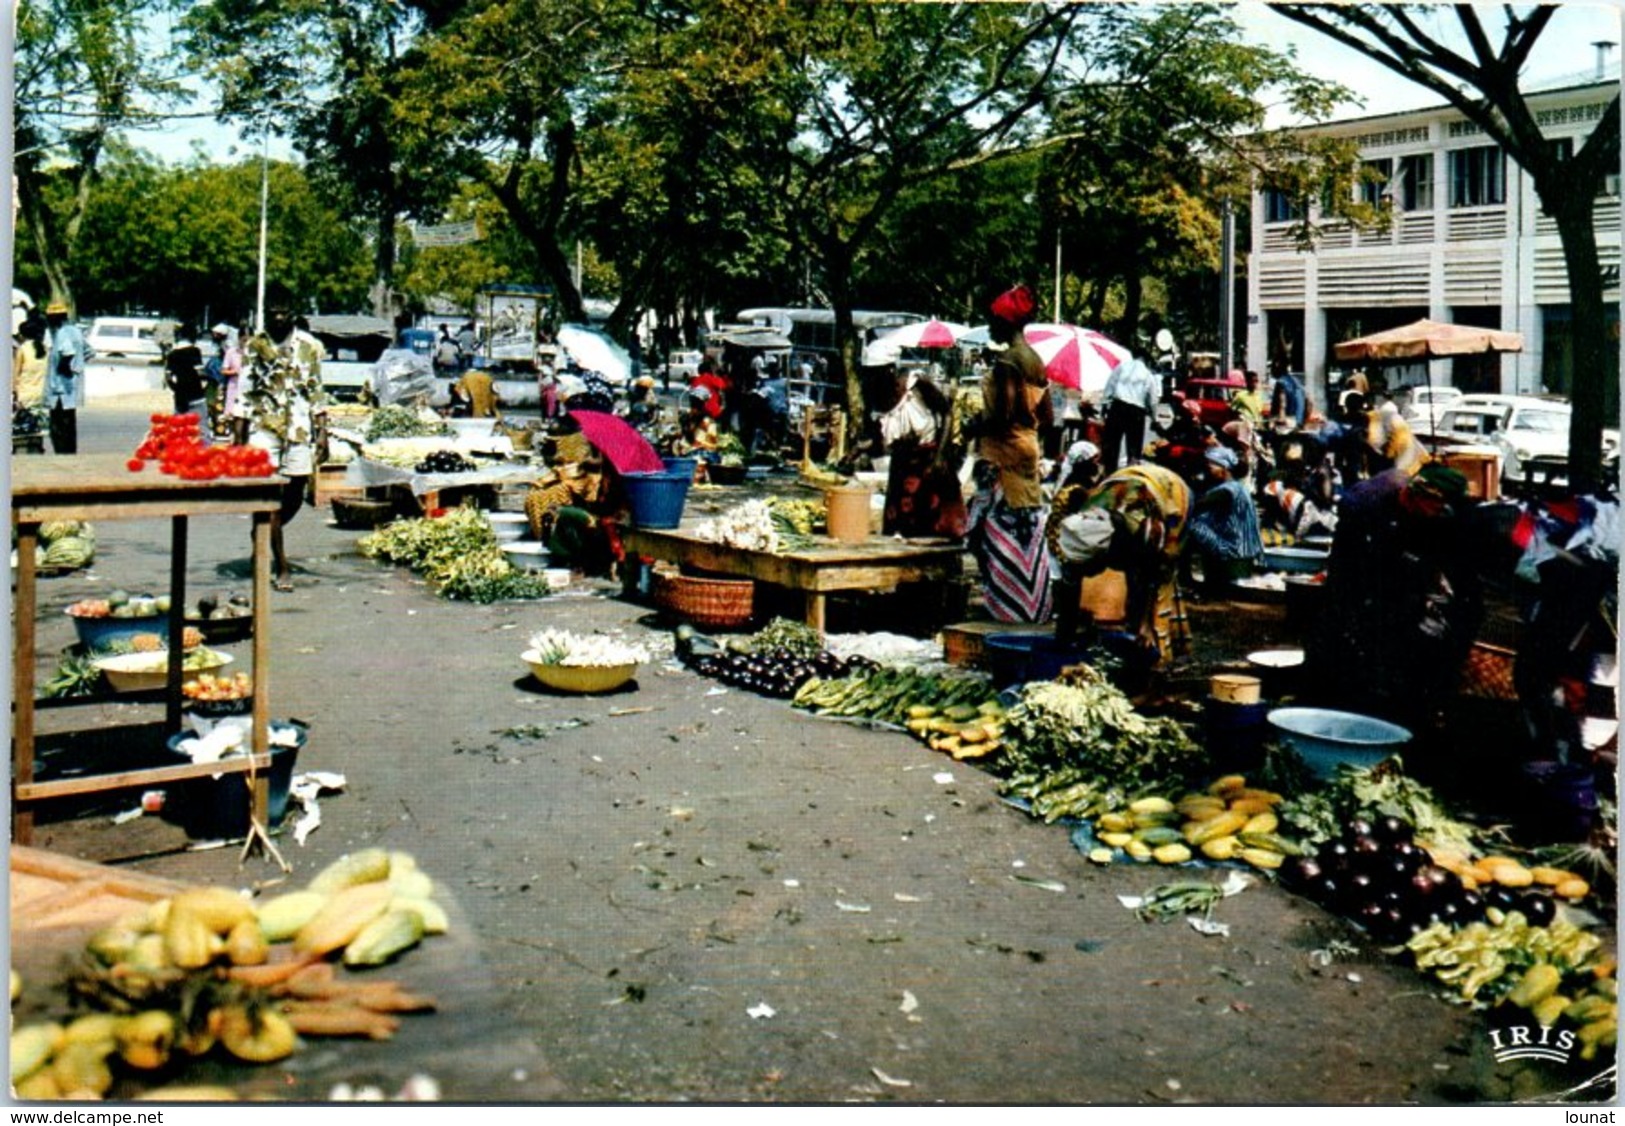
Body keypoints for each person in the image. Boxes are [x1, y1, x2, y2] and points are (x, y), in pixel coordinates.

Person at [1304, 462, 1484, 733]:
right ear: (1421, 496)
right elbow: (1346, 572)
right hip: (1362, 590)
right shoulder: (1367, 509)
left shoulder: (1439, 521)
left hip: (1404, 596)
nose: (1441, 513)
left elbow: (1460, 579)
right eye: (1438, 505)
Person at [966, 283, 1055, 623]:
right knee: (1027, 530)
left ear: (1006, 322)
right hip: (1028, 452)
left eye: (993, 321)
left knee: (990, 533)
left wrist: (975, 426)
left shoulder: (1008, 362)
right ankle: (1031, 602)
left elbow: (1002, 415)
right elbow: (1046, 416)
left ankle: (1008, 605)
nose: (990, 327)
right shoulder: (1036, 361)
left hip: (1002, 456)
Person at [1046, 461, 1191, 660]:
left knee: (1156, 578)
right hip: (1124, 486)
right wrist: (1064, 639)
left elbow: (1151, 575)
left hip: (1171, 493)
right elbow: (1070, 585)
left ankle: (1160, 645)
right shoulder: (1084, 528)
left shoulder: (1144, 533)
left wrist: (1144, 624)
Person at [243, 299, 327, 591]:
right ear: (266, 314)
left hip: (299, 428)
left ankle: (261, 536)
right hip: (263, 427)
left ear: (292, 314)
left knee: (294, 494)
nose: (278, 317)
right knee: (270, 497)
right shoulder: (254, 345)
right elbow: (244, 391)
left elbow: (316, 388)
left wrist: (323, 432)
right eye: (273, 312)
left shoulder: (309, 345)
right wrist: (238, 438)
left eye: (284, 311)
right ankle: (281, 565)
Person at [524, 423, 629, 577]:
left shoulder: (617, 480)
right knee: (556, 513)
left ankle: (586, 561)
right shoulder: (605, 473)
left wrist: (571, 511)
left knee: (560, 513)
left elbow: (611, 510)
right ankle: (576, 559)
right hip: (600, 517)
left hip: (607, 523)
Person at [879, 368, 967, 539]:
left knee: (932, 517)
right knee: (903, 520)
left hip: (929, 457)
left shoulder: (919, 385)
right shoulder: (882, 395)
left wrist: (940, 455)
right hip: (904, 461)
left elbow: (947, 414)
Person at [1185, 446, 1264, 594]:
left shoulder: (1227, 491)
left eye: (1212, 466)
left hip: (1234, 551)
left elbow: (1197, 506)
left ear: (1224, 467)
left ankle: (1186, 579)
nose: (1209, 469)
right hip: (1241, 550)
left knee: (1189, 525)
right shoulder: (1236, 487)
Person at [1099, 356, 1160, 472]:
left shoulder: (1122, 367)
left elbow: (1110, 385)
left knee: (1112, 445)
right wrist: (1154, 418)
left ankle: (1109, 473)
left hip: (1118, 407)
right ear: (1146, 360)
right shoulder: (1148, 374)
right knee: (1134, 447)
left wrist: (1104, 405)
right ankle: (1131, 473)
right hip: (1136, 411)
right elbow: (1153, 400)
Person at [43, 300, 89, 454]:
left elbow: (68, 352)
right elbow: (90, 351)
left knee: (58, 426)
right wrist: (78, 367)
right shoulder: (75, 331)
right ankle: (70, 453)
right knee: (69, 424)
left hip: (60, 390)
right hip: (72, 388)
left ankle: (62, 454)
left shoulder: (61, 333)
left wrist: (66, 368)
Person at [163, 328, 209, 423]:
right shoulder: (195, 351)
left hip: (180, 398)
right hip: (196, 395)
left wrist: (177, 389)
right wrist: (205, 387)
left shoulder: (172, 354)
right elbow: (200, 373)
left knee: (179, 428)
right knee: (200, 427)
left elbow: (168, 377)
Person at [13, 311, 47, 412]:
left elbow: (16, 374)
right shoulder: (44, 348)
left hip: (25, 395)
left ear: (22, 335)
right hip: (42, 394)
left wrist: (14, 392)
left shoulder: (23, 349)